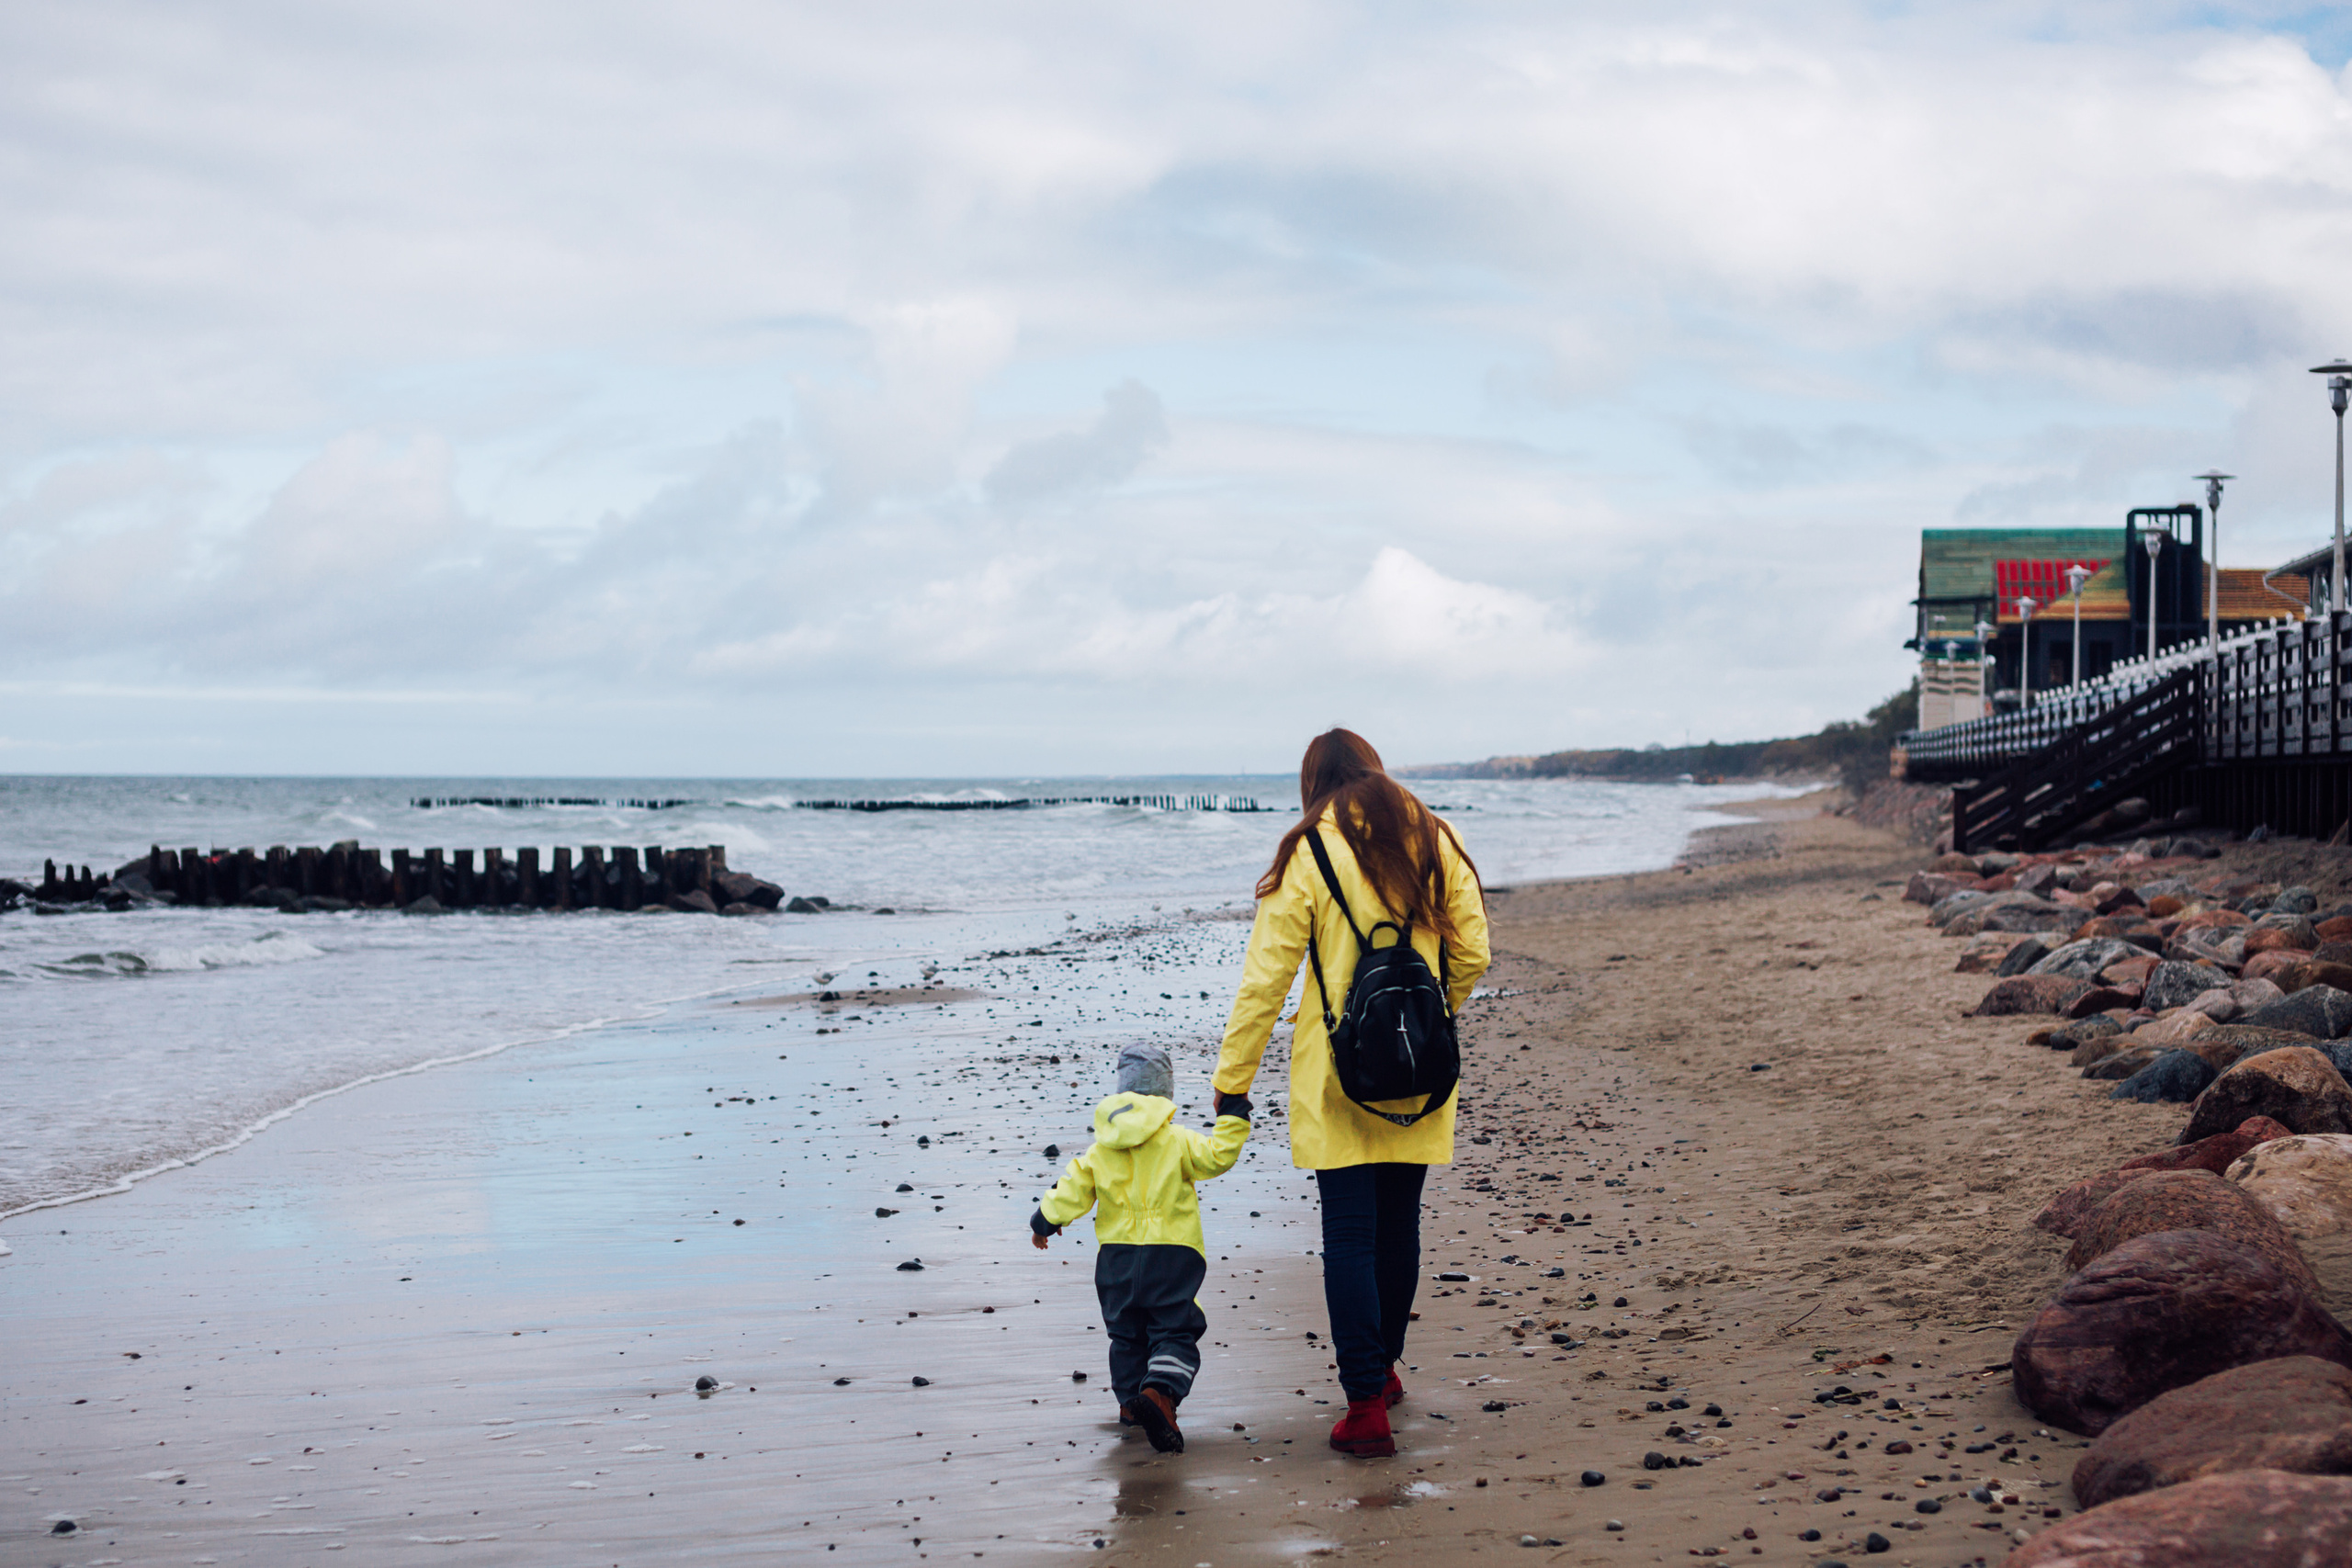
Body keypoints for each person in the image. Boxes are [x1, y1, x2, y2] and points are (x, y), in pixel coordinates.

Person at [1212, 728, 1489, 1458]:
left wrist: (1232, 1083)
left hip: (1335, 1075)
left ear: (1314, 783)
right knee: (1399, 1226)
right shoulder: (1437, 835)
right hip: (1420, 1071)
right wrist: (1427, 1019)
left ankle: (1365, 1402)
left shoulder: (1308, 850)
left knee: (1350, 1236)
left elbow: (1265, 981)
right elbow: (1474, 950)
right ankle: (1384, 1371)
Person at [1030, 1044, 1250, 1454]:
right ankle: (1159, 1392)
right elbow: (1219, 1156)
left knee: (1126, 1333)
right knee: (1174, 1328)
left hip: (1116, 1259)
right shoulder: (1177, 1140)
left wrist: (1045, 1221)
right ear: (1166, 1094)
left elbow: (1072, 1187)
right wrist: (1234, 1114)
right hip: (1172, 1254)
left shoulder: (1101, 1149)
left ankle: (1131, 1405)